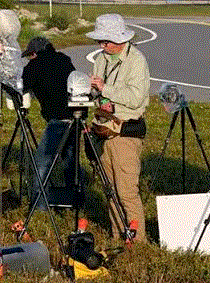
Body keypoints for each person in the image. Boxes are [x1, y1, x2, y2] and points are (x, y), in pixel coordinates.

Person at [87, 13, 149, 238]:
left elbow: (136, 98)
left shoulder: (136, 61)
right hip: (104, 129)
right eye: (99, 41)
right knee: (109, 190)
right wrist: (94, 91)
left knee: (126, 192)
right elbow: (97, 91)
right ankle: (117, 234)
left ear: (120, 39)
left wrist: (105, 90)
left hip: (125, 132)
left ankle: (138, 241)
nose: (102, 45)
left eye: (106, 41)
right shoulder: (101, 59)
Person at [21, 35, 76, 209]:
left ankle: (39, 205)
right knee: (70, 162)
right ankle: (75, 199)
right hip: (76, 117)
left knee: (42, 162)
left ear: (35, 53)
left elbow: (21, 86)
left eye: (30, 55)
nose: (29, 59)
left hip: (57, 121)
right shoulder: (65, 60)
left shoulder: (35, 65)